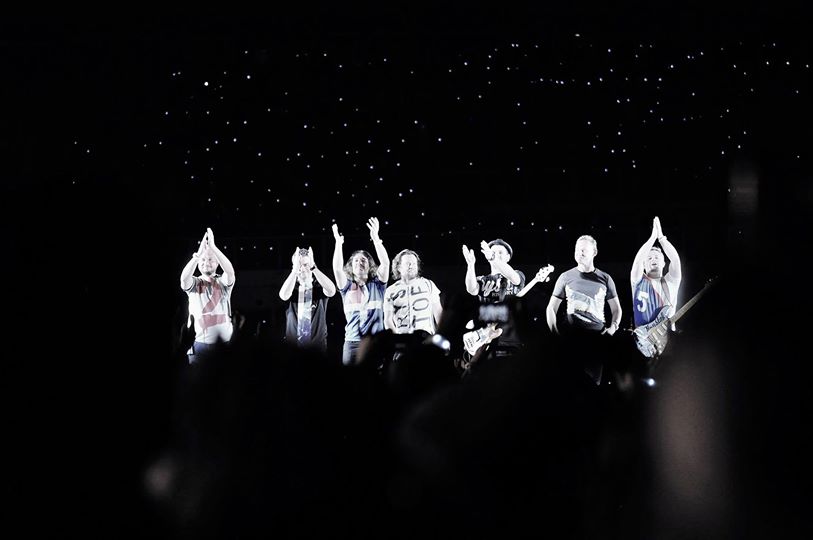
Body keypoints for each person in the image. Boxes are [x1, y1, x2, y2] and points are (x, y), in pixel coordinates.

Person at [546, 235, 621, 384]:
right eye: (577, 249)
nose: (579, 252)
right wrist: (554, 332)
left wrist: (612, 329)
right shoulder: (565, 277)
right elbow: (551, 308)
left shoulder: (605, 278)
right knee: (569, 385)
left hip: (597, 340)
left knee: (593, 386)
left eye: (584, 249)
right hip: (571, 339)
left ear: (594, 252)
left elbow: (616, 309)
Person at [332, 217, 390, 365]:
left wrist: (376, 239)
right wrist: (338, 243)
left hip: (375, 342)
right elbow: (337, 269)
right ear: (351, 267)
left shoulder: (378, 285)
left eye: (363, 260)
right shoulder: (346, 287)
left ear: (370, 266)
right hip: (352, 343)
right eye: (356, 261)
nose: (359, 262)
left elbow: (385, 263)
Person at [462, 239, 526, 359]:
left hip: (513, 341)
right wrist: (470, 264)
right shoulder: (484, 279)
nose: (496, 254)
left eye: (500, 252)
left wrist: (493, 257)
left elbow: (513, 277)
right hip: (487, 341)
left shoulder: (517, 274)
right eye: (493, 252)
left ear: (508, 257)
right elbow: (471, 289)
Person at [179, 228, 236, 364]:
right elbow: (184, 279)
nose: (206, 262)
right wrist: (197, 256)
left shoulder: (223, 282)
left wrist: (214, 248)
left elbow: (230, 271)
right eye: (203, 260)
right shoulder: (195, 283)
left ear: (217, 263)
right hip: (198, 344)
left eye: (211, 259)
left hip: (224, 344)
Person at [278, 246, 337, 352]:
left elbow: (332, 291)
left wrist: (314, 267)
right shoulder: (292, 287)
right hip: (293, 347)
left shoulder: (319, 287)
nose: (302, 269)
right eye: (298, 265)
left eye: (305, 265)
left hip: (317, 347)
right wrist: (294, 271)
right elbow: (283, 295)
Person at [630, 216, 682, 330]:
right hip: (643, 338)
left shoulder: (671, 281)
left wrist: (661, 238)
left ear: (663, 263)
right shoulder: (638, 281)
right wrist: (653, 237)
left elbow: (675, 260)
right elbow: (637, 261)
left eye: (657, 257)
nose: (653, 259)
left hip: (668, 337)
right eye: (649, 258)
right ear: (644, 265)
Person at [383, 249, 443, 336]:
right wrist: (396, 340)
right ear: (399, 267)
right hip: (403, 340)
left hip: (426, 339)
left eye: (414, 263)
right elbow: (388, 320)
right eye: (407, 263)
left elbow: (439, 314)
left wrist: (442, 336)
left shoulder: (428, 285)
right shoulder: (390, 290)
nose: (411, 266)